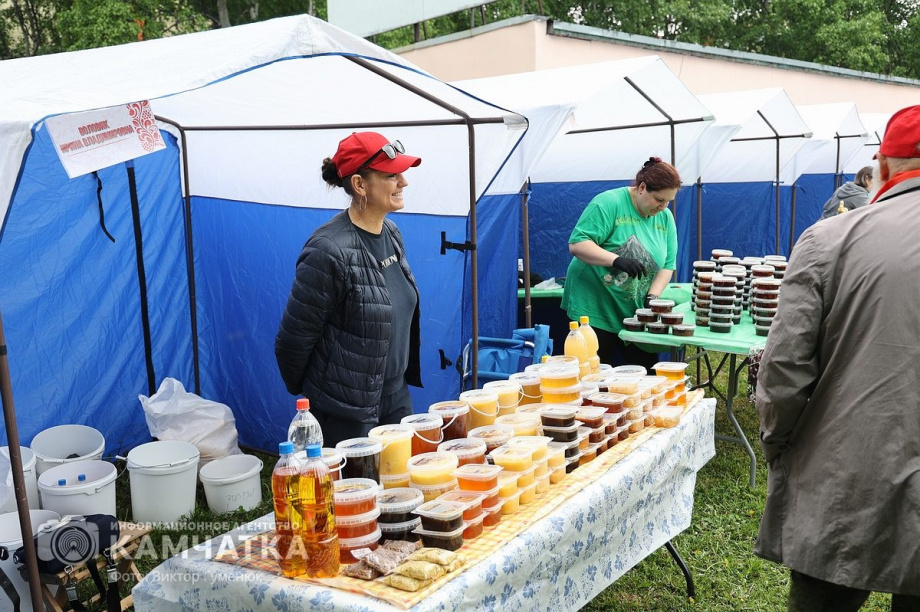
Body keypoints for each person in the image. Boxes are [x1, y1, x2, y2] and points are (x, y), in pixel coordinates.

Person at [755, 105, 920, 611]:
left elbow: (784, 370)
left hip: (848, 474)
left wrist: (777, 441)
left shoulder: (830, 239)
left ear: (884, 166)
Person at [275, 132, 423, 447]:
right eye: (392, 175)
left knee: (399, 488)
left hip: (396, 397)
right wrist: (324, 397)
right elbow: (292, 341)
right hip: (346, 411)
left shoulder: (392, 233)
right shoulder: (328, 250)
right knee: (356, 494)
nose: (404, 182)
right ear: (360, 185)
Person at [561, 157, 680, 368]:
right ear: (642, 187)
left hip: (633, 310)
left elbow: (667, 265)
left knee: (643, 374)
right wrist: (615, 260)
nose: (663, 206)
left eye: (668, 201)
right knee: (594, 374)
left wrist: (653, 295)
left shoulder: (665, 218)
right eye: (659, 200)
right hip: (594, 307)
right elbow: (577, 244)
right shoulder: (609, 203)